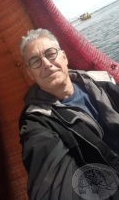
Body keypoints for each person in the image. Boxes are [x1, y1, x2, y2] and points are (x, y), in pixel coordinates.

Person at [19, 28, 119, 200]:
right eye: (35, 61)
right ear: (30, 73)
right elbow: (53, 186)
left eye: (50, 53)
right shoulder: (38, 122)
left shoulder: (101, 82)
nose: (46, 64)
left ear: (64, 57)